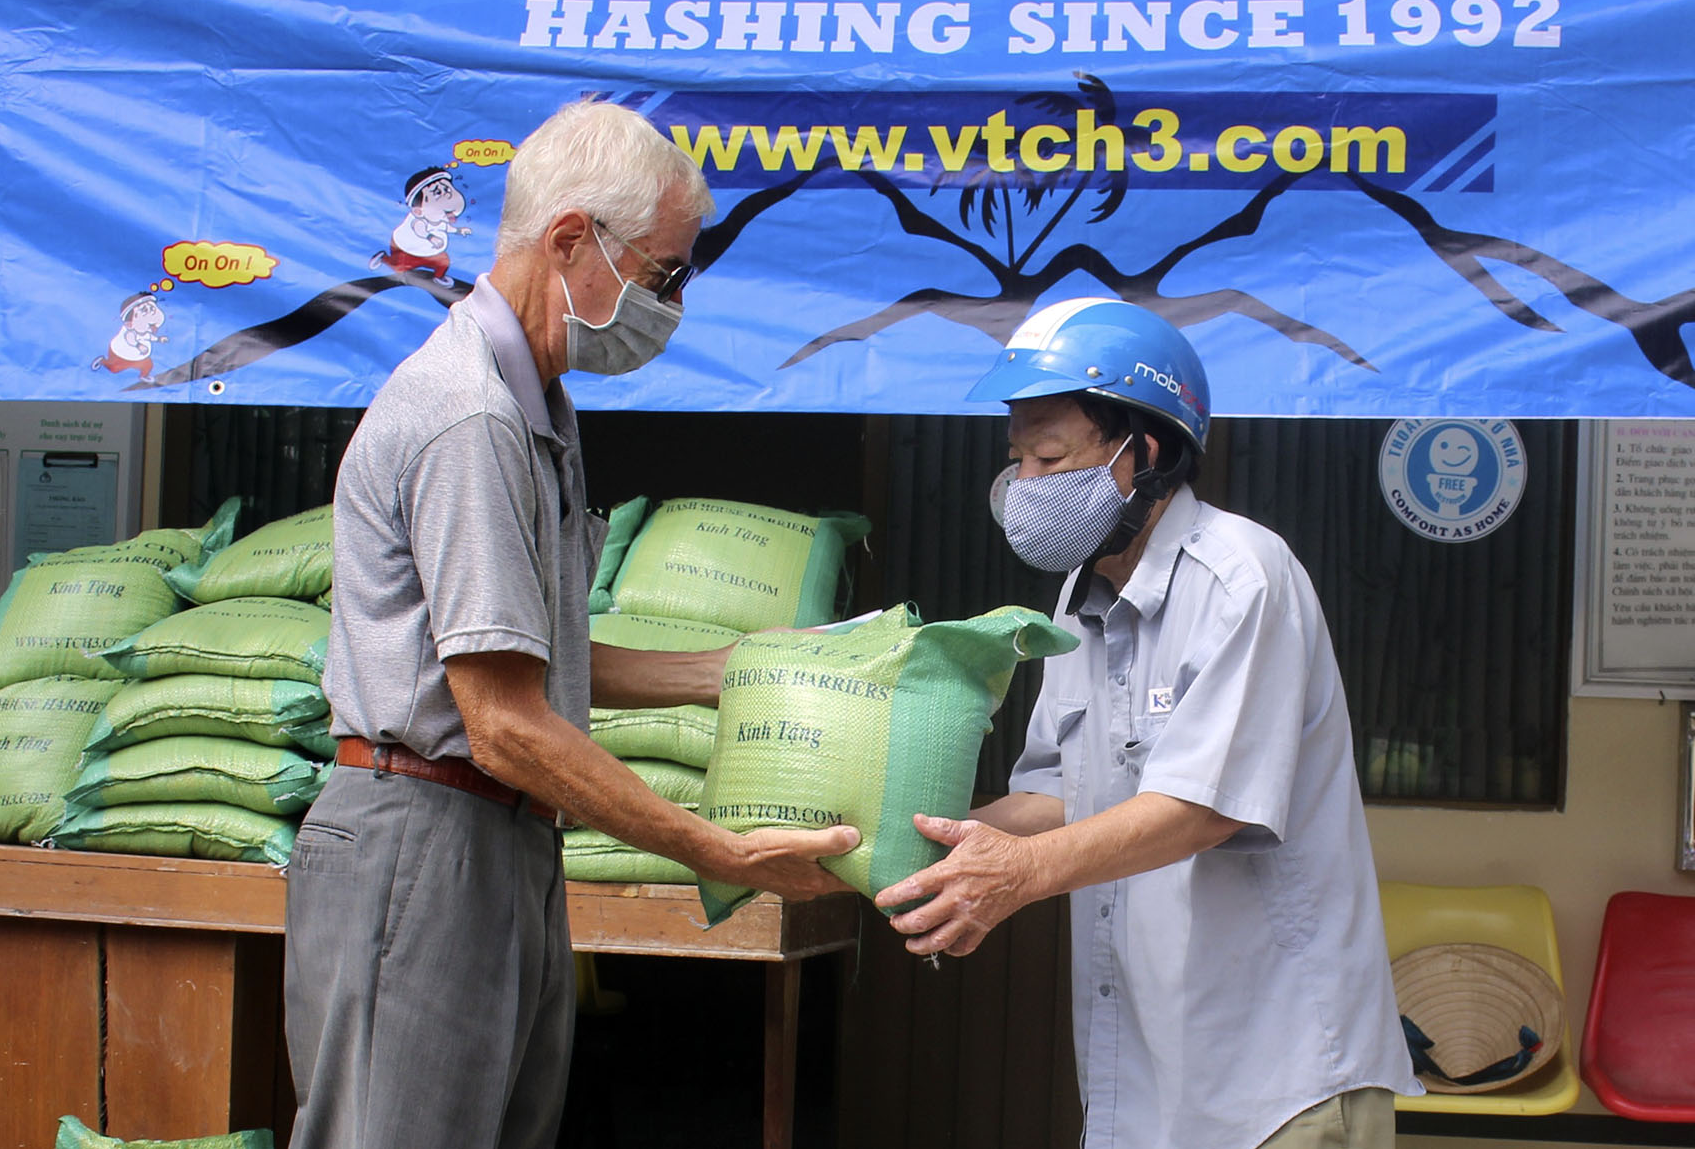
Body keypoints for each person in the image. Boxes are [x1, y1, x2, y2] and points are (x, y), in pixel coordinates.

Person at [284, 98, 858, 1149]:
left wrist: (743, 667)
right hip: (422, 836)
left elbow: (524, 652)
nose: (671, 304)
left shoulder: (537, 406)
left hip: (498, 839)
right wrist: (713, 849)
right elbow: (501, 719)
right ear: (567, 241)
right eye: (665, 273)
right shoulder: (470, 415)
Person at [874, 297, 1418, 1149]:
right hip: (1148, 1081)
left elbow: (1205, 806)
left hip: (1278, 1080)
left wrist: (1016, 875)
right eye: (1016, 460)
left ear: (1145, 453)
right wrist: (903, 839)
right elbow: (1061, 794)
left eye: (1050, 456)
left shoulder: (1243, 578)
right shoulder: (1079, 601)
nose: (1025, 487)